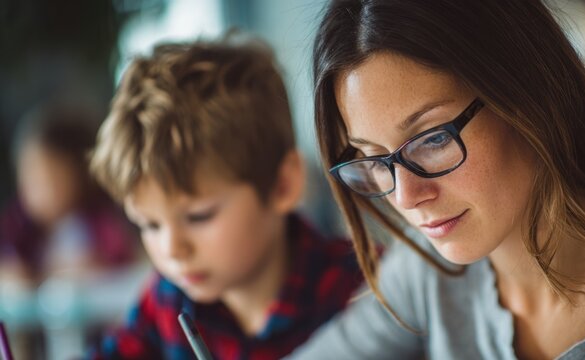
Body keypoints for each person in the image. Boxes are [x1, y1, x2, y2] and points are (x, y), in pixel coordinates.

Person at [288, 0, 585, 359]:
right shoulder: (429, 271)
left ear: (527, 101)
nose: (405, 197)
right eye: (373, 157)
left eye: (433, 138)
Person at [87, 36, 363, 358]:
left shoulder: (362, 289)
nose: (173, 250)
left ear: (283, 185)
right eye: (149, 225)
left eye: (198, 216)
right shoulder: (167, 297)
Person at [0, 102, 137, 282]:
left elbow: (118, 261)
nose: (37, 191)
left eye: (49, 180)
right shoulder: (18, 225)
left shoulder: (100, 223)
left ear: (80, 176)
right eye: (29, 179)